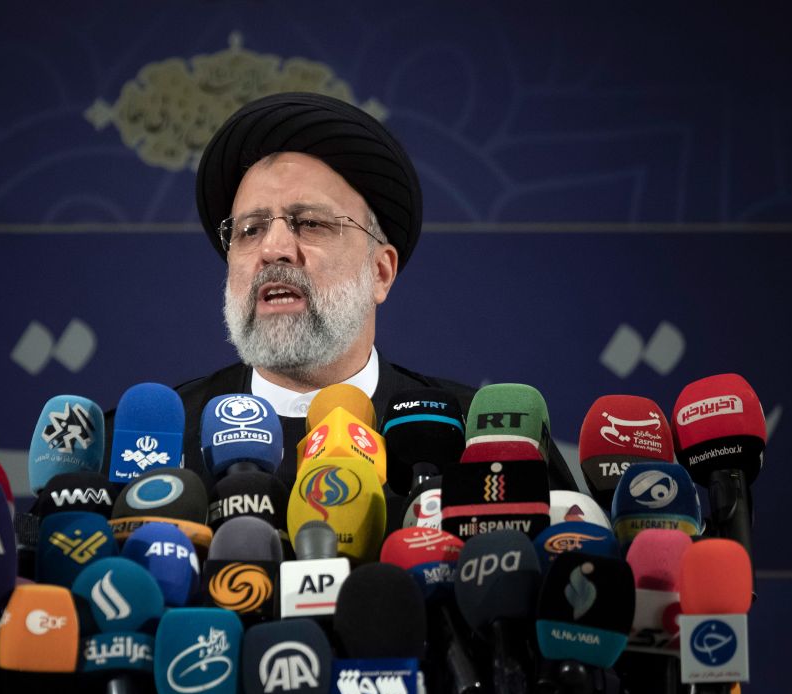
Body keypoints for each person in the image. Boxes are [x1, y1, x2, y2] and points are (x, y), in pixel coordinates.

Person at [105, 92, 576, 493]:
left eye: (309, 223)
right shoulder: (145, 443)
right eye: (249, 230)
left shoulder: (483, 441)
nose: (273, 248)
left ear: (380, 272)